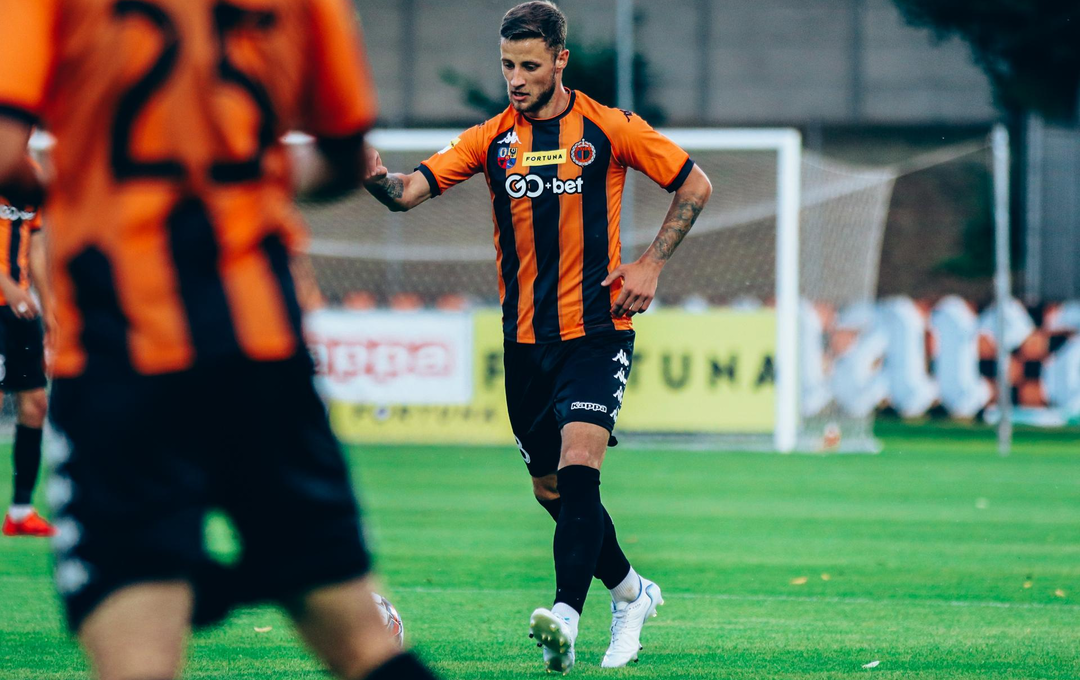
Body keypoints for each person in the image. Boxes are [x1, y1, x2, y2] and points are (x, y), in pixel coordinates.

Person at [0, 2, 441, 679]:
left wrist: (69, 184)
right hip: (259, 343)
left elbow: (6, 155)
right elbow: (349, 158)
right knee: (364, 645)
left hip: (122, 348)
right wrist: (250, 170)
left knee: (138, 662)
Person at [363, 0, 712, 672]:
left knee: (580, 471)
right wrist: (374, 176)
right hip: (524, 344)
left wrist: (650, 263)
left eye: (528, 65)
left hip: (597, 331)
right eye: (507, 65)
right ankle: (631, 593)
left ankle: (566, 619)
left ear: (560, 60)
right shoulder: (490, 139)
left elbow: (694, 184)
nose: (516, 79)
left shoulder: (609, 128)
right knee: (552, 491)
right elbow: (406, 193)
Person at [0, 188, 53, 537]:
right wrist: (7, 287)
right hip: (6, 300)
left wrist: (49, 310)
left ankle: (21, 511)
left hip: (20, 310)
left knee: (35, 404)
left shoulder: (27, 178)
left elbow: (35, 247)